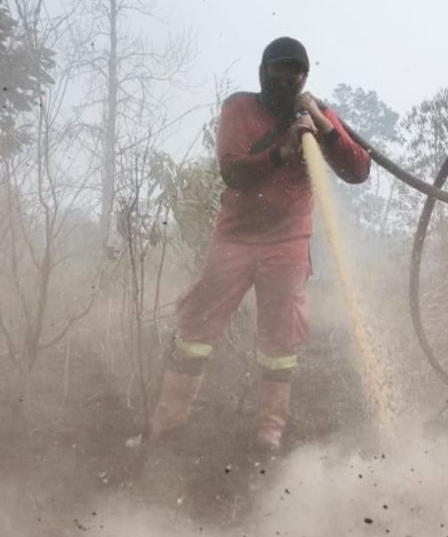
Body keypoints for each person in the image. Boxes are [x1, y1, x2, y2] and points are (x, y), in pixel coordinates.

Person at [147, 37, 371, 450]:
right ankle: (166, 426)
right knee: (196, 329)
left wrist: (321, 125)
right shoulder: (239, 108)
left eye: (294, 73)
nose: (285, 80)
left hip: (287, 242)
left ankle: (270, 435)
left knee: (280, 340)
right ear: (263, 71)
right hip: (235, 238)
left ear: (305, 76)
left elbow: (358, 170)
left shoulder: (316, 114)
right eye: (277, 71)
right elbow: (233, 172)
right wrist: (283, 149)